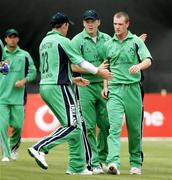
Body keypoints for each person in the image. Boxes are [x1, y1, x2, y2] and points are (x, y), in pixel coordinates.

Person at [27, 12, 112, 175]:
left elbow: (52, 68)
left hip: (47, 86)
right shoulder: (62, 40)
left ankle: (76, 166)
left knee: (77, 126)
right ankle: (40, 148)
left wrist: (73, 80)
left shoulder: (45, 41)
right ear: (64, 25)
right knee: (73, 126)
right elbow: (79, 62)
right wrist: (98, 72)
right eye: (67, 26)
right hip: (59, 88)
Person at [101, 11, 152, 175]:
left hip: (133, 90)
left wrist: (139, 66)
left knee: (134, 129)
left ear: (127, 24)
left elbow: (148, 59)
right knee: (114, 128)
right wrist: (105, 86)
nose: (117, 27)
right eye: (115, 24)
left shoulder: (136, 41)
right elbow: (105, 67)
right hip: (115, 90)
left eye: (120, 24)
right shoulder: (109, 44)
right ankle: (113, 162)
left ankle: (135, 163)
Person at [71, 9, 111, 174]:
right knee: (88, 126)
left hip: (103, 86)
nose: (90, 24)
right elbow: (73, 66)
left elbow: (109, 65)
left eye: (92, 21)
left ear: (98, 22)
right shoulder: (77, 41)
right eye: (87, 21)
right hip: (85, 86)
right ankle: (93, 162)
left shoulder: (107, 39)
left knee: (107, 125)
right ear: (83, 23)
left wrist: (106, 84)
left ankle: (102, 159)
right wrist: (95, 70)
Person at [0, 28, 37, 162]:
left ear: (18, 39)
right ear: (5, 39)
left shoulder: (24, 55)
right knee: (2, 127)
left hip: (18, 98)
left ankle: (13, 148)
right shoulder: (1, 54)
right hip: (2, 98)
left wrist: (24, 81)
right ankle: (5, 154)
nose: (12, 39)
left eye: (15, 37)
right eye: (10, 37)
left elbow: (33, 72)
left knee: (18, 126)